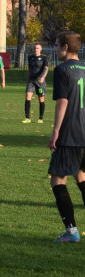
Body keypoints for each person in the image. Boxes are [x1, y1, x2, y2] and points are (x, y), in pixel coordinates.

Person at [46, 32, 85, 242]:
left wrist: (55, 132)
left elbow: (63, 102)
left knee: (58, 180)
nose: (54, 49)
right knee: (81, 175)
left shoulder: (62, 70)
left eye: (56, 45)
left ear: (66, 47)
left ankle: (71, 231)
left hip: (70, 133)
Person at [24, 42, 49, 124]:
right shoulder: (30, 57)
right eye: (35, 48)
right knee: (28, 97)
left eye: (38, 48)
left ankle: (41, 118)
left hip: (40, 82)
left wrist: (43, 77)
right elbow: (29, 69)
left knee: (41, 99)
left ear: (41, 49)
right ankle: (27, 118)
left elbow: (46, 68)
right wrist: (28, 78)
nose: (36, 50)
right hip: (31, 81)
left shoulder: (44, 58)